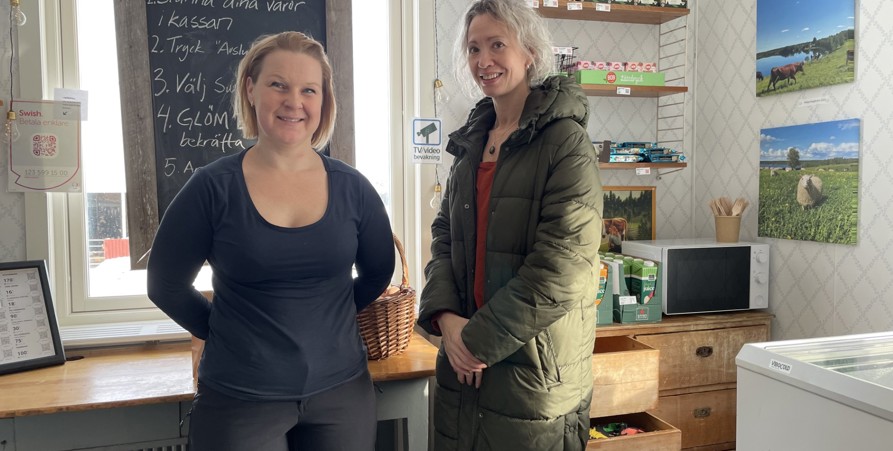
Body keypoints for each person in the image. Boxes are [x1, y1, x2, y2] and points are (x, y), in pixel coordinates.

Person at [146, 31, 394, 451]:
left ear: (323, 100)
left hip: (342, 394)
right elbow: (164, 285)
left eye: (308, 89)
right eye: (278, 84)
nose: (294, 102)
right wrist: (225, 330)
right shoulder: (211, 188)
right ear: (250, 89)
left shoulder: (354, 188)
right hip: (239, 399)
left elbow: (378, 273)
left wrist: (326, 319)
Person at [416, 0, 603, 450]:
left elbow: (562, 267)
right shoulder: (470, 144)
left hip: (533, 375)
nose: (484, 60)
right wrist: (446, 319)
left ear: (529, 51)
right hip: (463, 367)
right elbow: (444, 239)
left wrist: (474, 342)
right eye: (474, 48)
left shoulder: (566, 142)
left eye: (497, 45)